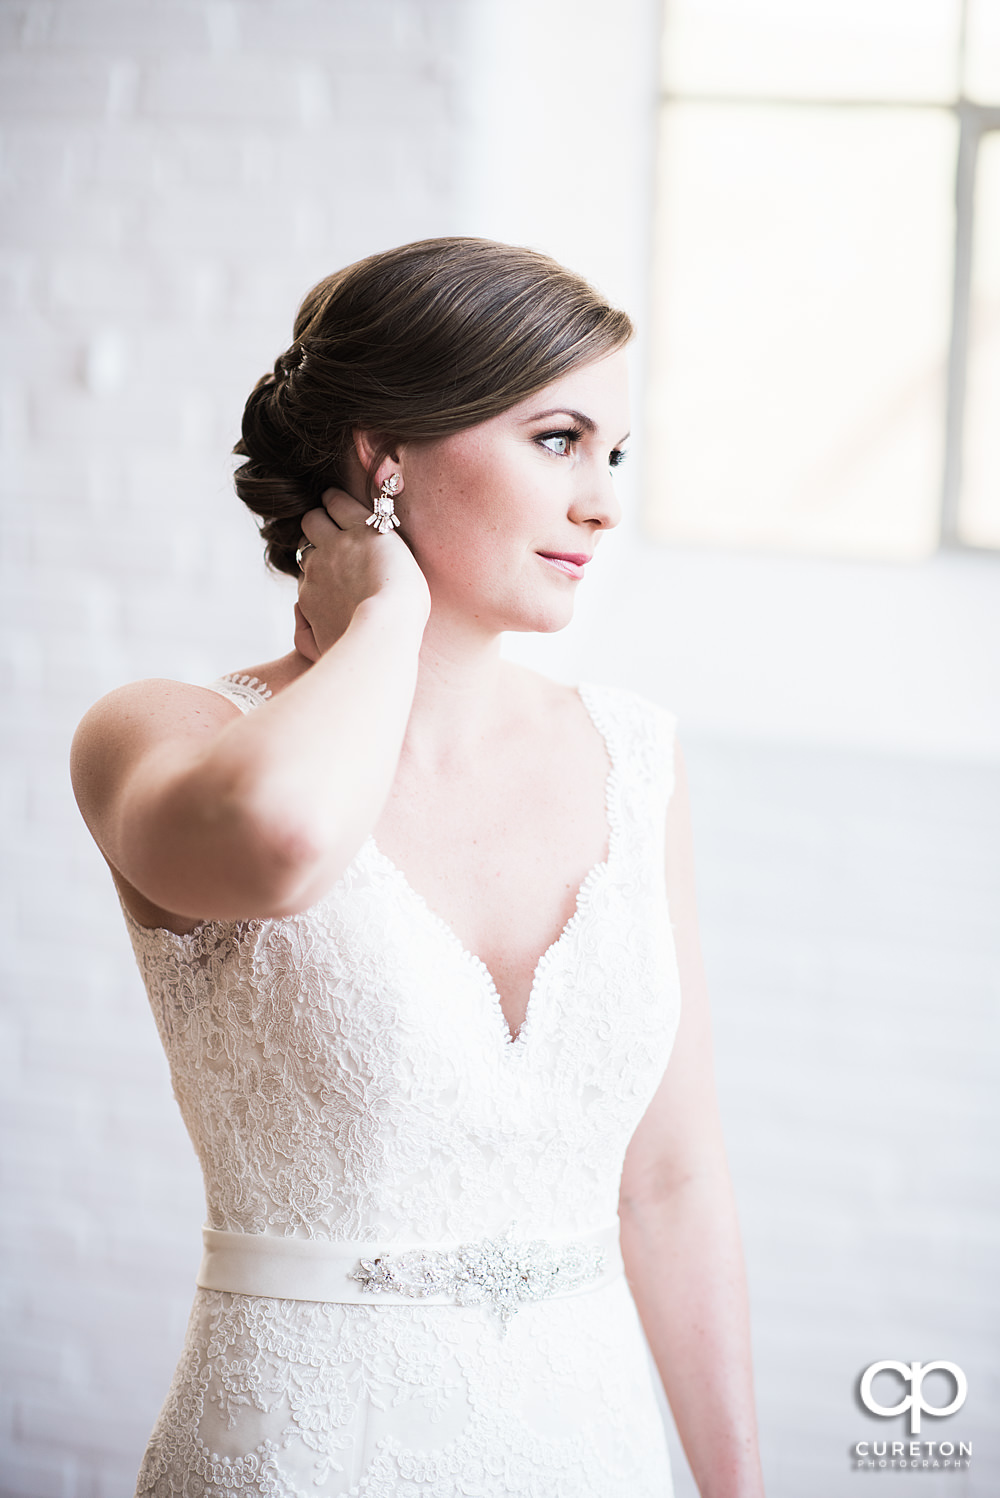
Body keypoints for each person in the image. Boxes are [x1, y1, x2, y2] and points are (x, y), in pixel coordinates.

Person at [71, 237, 765, 1497]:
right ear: (380, 454)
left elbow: (669, 1181)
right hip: (302, 1449)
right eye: (558, 439)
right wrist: (381, 619)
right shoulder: (163, 734)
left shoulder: (635, 759)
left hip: (592, 1444)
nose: (604, 500)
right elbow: (283, 845)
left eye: (614, 454)